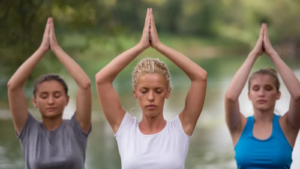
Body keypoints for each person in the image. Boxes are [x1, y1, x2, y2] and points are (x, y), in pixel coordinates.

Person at [95, 8, 207, 169]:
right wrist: (141, 46)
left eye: (158, 91)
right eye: (144, 90)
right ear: (135, 92)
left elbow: (200, 77)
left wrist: (159, 46)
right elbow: (101, 79)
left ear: (168, 92)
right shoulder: (125, 129)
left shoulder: (180, 129)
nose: (151, 97)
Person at [7, 18, 92, 169]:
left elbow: (85, 84)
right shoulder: (28, 130)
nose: (51, 101)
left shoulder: (77, 128)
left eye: (57, 95)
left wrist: (56, 49)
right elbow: (13, 86)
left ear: (67, 100)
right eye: (44, 96)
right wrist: (42, 49)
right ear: (34, 101)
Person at [225, 23, 300, 169]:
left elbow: (297, 95)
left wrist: (273, 53)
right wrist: (253, 54)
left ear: (278, 94)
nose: (261, 93)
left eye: (268, 88)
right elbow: (230, 97)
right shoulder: (239, 126)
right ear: (249, 95)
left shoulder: (288, 126)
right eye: (256, 88)